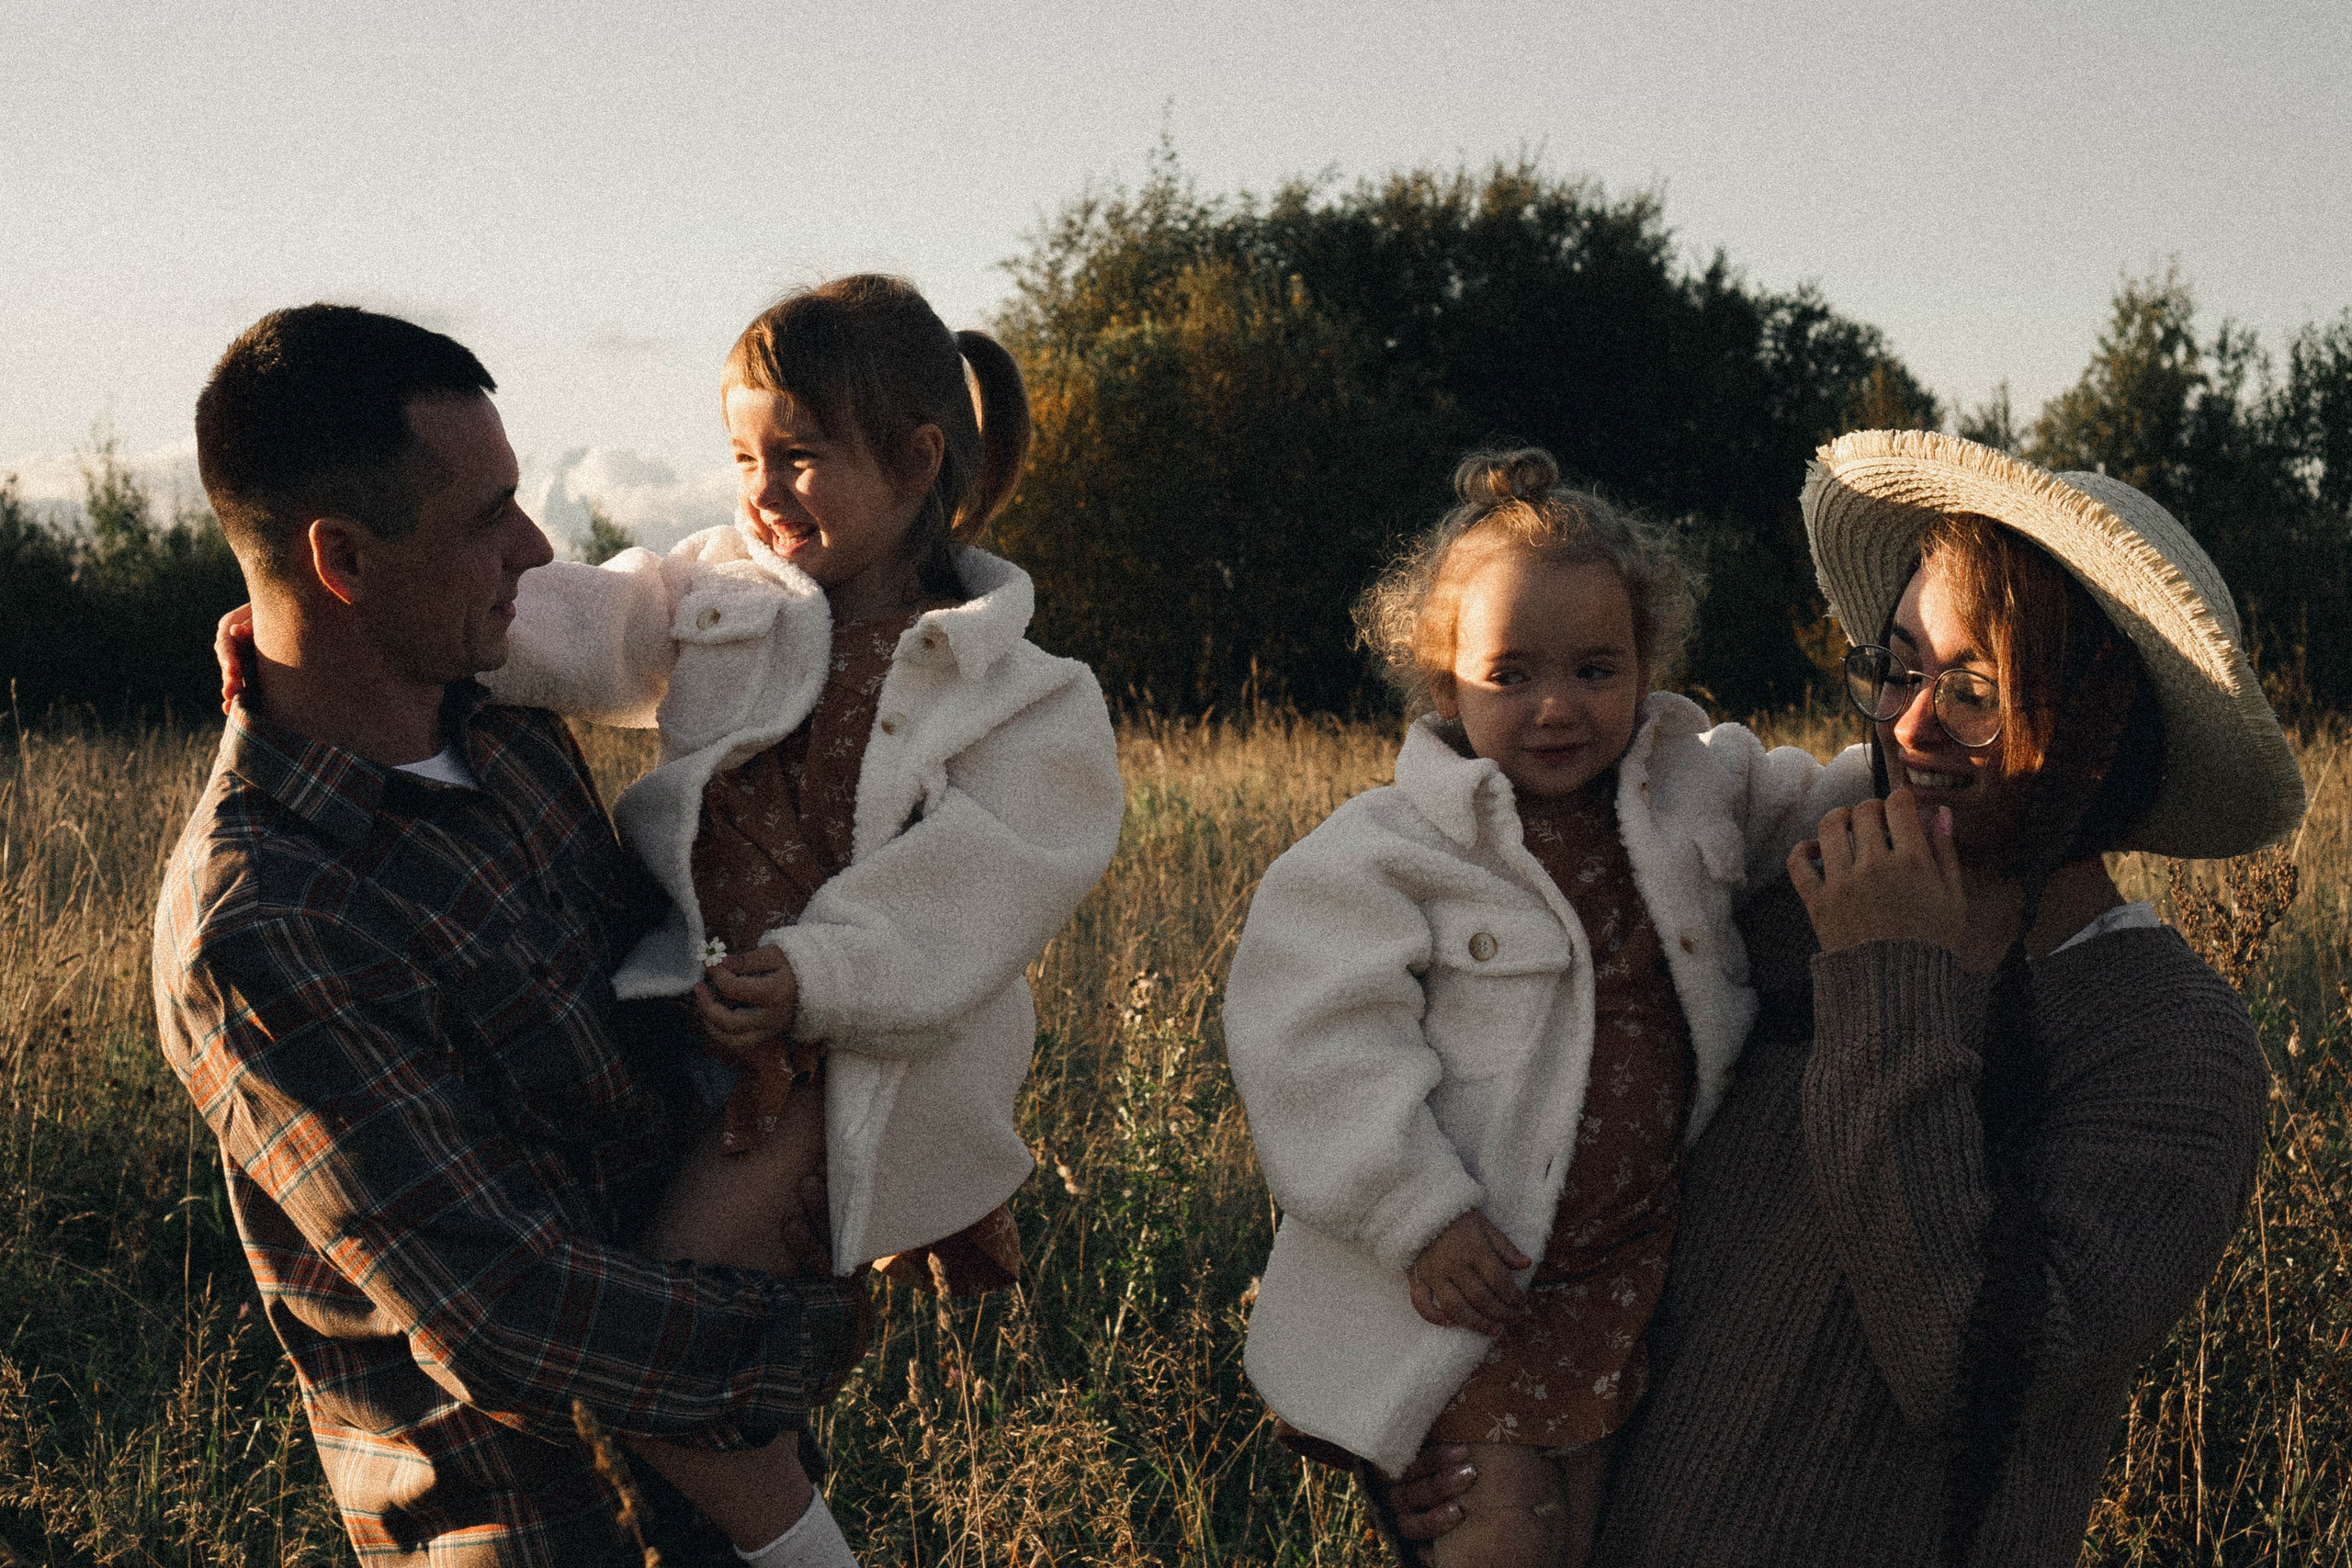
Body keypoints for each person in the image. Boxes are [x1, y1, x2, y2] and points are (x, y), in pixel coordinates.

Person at [1387, 430, 2303, 1564]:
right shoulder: (1774, 911)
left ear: (2097, 731)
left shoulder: (2164, 1042)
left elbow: (1977, 1380)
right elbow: (1537, 1148)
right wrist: (1445, 1437)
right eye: (1901, 669)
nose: (1911, 726)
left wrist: (1888, 976)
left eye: (1975, 690)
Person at [157, 303, 866, 1567]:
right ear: (344, 561)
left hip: (737, 1494)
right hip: (546, 1532)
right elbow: (508, 1313)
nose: (536, 549)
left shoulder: (504, 726)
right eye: (487, 518)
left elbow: (647, 1023)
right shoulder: (265, 917)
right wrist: (816, 1319)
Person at [442, 275, 1125, 1547]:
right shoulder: (724, 590)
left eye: (799, 457)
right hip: (688, 1030)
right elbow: (584, 622)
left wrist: (816, 973)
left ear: (918, 460)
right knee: (709, 1364)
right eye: (743, 453)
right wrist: (352, 622)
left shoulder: (1019, 688)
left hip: (840, 1067)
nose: (760, 489)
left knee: (653, 1355)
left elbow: (988, 880)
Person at [1222, 450, 1867, 1567]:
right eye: (1509, 674)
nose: (1556, 705)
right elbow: (1312, 1041)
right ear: (1444, 685)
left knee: (1590, 1538)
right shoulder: (1387, 853)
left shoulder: (1691, 786)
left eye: (1594, 668)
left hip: (1626, 1275)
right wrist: (1413, 1211)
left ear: (1646, 669)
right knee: (1504, 1538)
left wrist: (1922, 761)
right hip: (1468, 1279)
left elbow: (1813, 801)